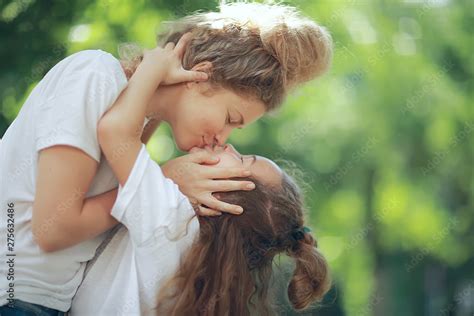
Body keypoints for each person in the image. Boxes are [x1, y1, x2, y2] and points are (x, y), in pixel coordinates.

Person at [0, 2, 332, 314]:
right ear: (201, 75)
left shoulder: (138, 122)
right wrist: (167, 177)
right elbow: (52, 229)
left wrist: (157, 94)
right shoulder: (95, 75)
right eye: (231, 118)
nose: (223, 140)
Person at [71, 33, 330, 315]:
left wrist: (153, 70)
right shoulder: (197, 256)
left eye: (242, 158)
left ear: (226, 197)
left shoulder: (172, 218)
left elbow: (116, 132)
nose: (228, 145)